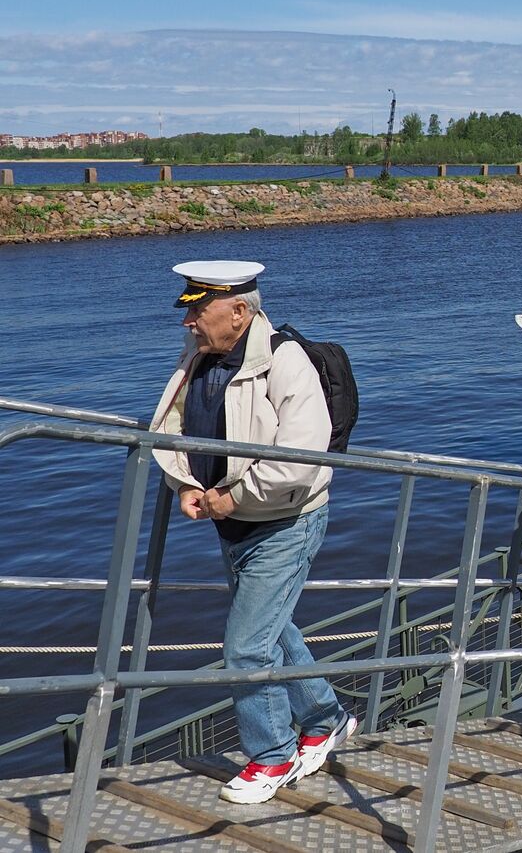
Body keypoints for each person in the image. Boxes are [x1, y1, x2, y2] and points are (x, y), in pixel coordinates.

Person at [151, 261, 356, 804]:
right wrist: (185, 482)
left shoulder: (286, 363)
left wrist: (232, 495)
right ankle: (328, 720)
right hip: (230, 522)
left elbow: (299, 460)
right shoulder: (199, 359)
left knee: (246, 646)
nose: (189, 321)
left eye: (199, 309)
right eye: (190, 309)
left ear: (239, 312)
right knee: (273, 629)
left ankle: (272, 756)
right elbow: (170, 425)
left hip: (285, 522)